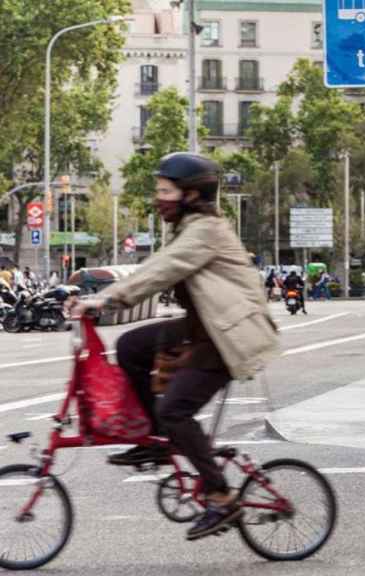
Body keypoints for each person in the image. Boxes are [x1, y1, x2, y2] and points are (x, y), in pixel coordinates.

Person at [73, 152, 278, 541]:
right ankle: (158, 441)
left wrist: (107, 300)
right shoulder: (187, 227)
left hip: (228, 336)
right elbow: (157, 265)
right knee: (132, 346)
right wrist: (99, 296)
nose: (158, 199)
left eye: (166, 191)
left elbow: (164, 270)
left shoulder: (206, 231)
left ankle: (220, 496)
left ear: (190, 195)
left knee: (176, 411)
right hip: (203, 327)